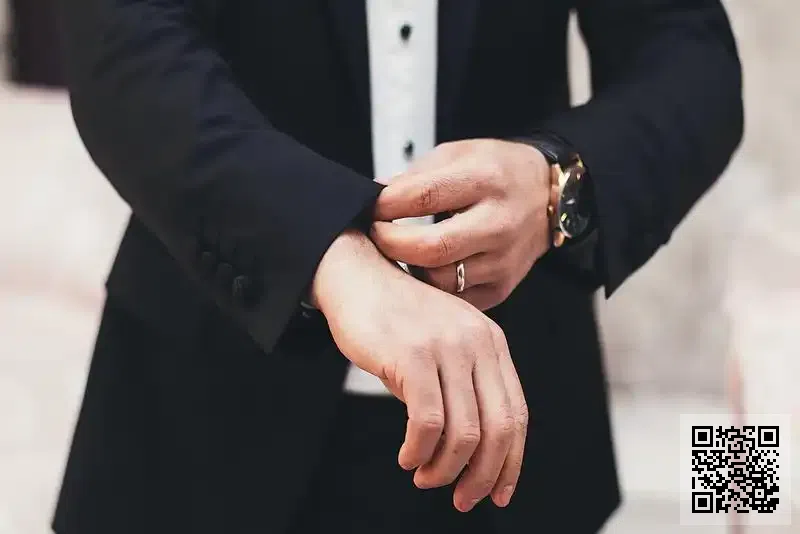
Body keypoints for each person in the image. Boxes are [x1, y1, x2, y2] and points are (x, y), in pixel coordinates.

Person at [54, 1, 743, 533]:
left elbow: (692, 57)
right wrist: (321, 247)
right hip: (199, 413)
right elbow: (125, 48)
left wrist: (556, 184)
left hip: (514, 420)